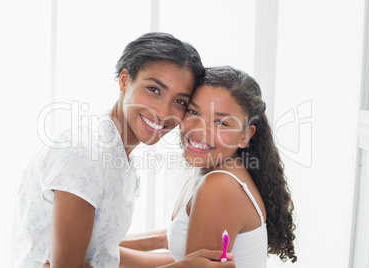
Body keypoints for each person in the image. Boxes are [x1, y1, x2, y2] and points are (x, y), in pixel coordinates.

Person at [11, 32, 235, 268]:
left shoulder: (115, 154)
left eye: (179, 101)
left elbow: (100, 253)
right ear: (125, 80)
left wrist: (167, 244)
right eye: (154, 89)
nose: (162, 112)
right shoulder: (87, 153)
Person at [119, 66, 297, 267]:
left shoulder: (219, 186)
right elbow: (184, 260)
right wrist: (105, 252)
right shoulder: (210, 168)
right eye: (193, 112)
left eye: (221, 122)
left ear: (245, 135)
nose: (199, 130)